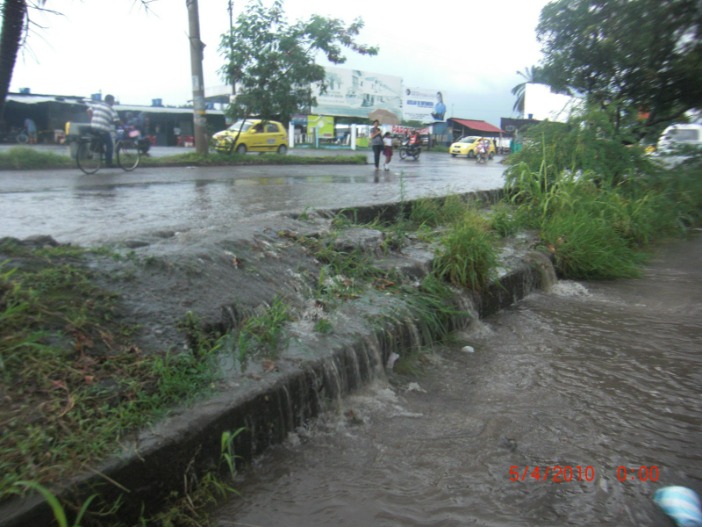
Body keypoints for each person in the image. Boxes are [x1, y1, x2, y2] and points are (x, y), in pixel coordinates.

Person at [87, 94, 119, 167]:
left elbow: (88, 110)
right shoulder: (111, 109)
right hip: (103, 128)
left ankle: (92, 152)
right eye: (113, 101)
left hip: (93, 126)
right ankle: (108, 163)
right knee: (110, 145)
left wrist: (92, 119)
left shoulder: (97, 105)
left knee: (99, 140)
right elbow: (117, 120)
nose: (113, 103)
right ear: (110, 101)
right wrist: (124, 127)